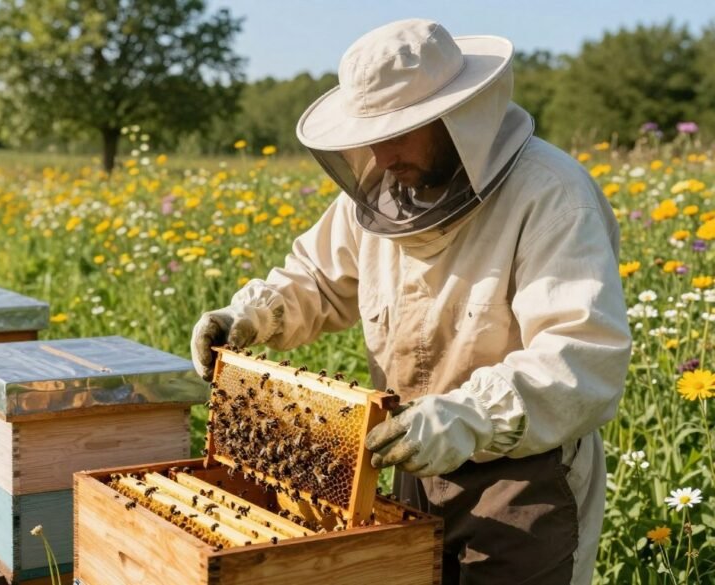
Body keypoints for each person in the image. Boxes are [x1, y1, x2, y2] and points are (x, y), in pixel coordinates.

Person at [190, 18, 631, 585]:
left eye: (401, 130)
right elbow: (315, 279)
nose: (382, 152)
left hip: (523, 482)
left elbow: (581, 355)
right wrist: (248, 315)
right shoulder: (382, 194)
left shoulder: (552, 197)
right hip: (408, 463)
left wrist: (468, 416)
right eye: (371, 132)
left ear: (457, 117)